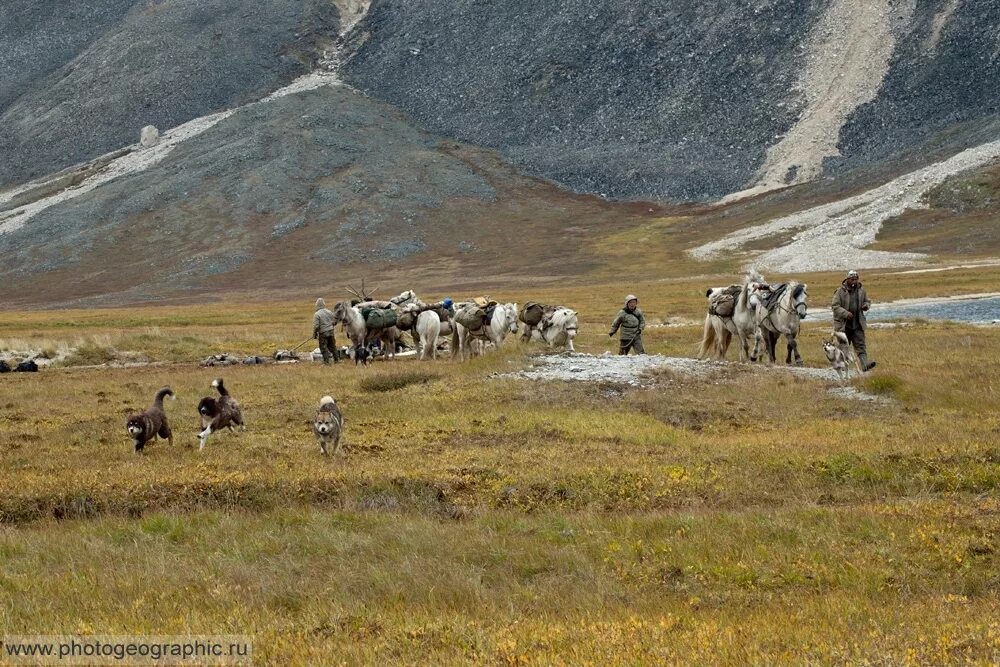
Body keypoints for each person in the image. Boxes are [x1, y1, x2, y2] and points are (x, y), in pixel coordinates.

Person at [832, 270, 876, 372]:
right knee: (843, 346)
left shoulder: (861, 290)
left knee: (861, 345)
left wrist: (866, 306)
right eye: (852, 279)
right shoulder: (839, 292)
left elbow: (867, 301)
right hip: (843, 325)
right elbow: (835, 306)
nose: (854, 281)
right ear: (847, 279)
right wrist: (845, 313)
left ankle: (865, 365)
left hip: (857, 323)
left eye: (856, 279)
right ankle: (841, 366)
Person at [312, 298, 339, 365]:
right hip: (331, 332)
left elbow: (316, 326)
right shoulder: (329, 312)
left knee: (323, 348)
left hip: (323, 333)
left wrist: (314, 334)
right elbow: (335, 322)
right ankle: (337, 360)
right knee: (333, 347)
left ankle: (327, 362)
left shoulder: (317, 314)